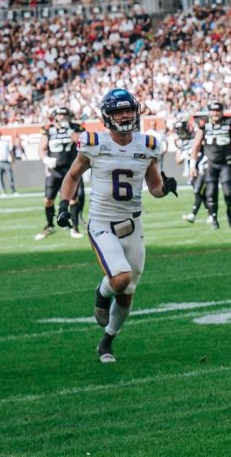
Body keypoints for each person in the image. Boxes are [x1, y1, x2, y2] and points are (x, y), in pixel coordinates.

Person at [55, 89, 178, 362]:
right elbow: (72, 175)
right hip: (101, 223)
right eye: (119, 111)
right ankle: (102, 293)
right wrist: (64, 205)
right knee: (119, 279)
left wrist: (166, 188)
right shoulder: (93, 143)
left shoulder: (147, 144)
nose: (125, 115)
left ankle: (107, 341)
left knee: (127, 293)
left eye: (129, 110)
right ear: (107, 116)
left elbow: (154, 187)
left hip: (133, 223)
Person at [190, 101, 231, 229]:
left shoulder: (230, 122)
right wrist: (193, 165)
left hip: (226, 163)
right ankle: (214, 219)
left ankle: (229, 209)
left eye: (218, 110)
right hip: (210, 164)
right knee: (211, 192)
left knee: (228, 193)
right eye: (213, 111)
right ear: (209, 112)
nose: (216, 113)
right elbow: (196, 145)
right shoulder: (203, 124)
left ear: (222, 111)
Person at [37, 108, 85, 240]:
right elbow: (41, 148)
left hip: (71, 170)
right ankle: (50, 225)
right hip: (55, 170)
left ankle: (74, 228)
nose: (63, 117)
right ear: (55, 116)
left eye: (65, 114)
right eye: (60, 114)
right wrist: (46, 159)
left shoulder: (76, 128)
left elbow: (83, 143)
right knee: (48, 200)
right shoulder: (49, 130)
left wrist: (71, 132)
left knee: (73, 199)